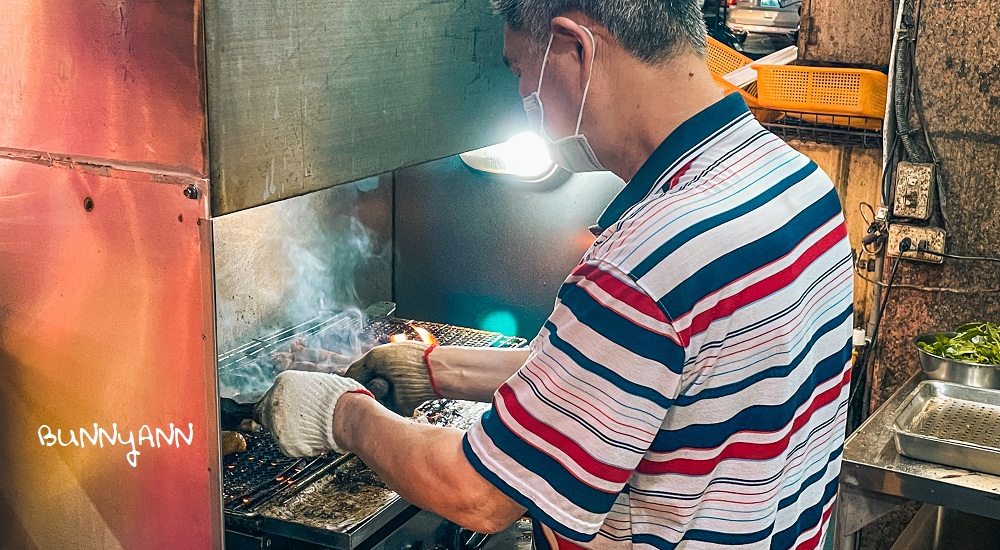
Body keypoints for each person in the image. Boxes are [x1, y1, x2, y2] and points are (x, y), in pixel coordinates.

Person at [253, 0, 854, 547]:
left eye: (518, 71)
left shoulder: (650, 262)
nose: (523, 98)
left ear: (575, 49)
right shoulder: (798, 187)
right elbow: (644, 371)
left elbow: (477, 495)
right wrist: (437, 370)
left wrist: (343, 413)